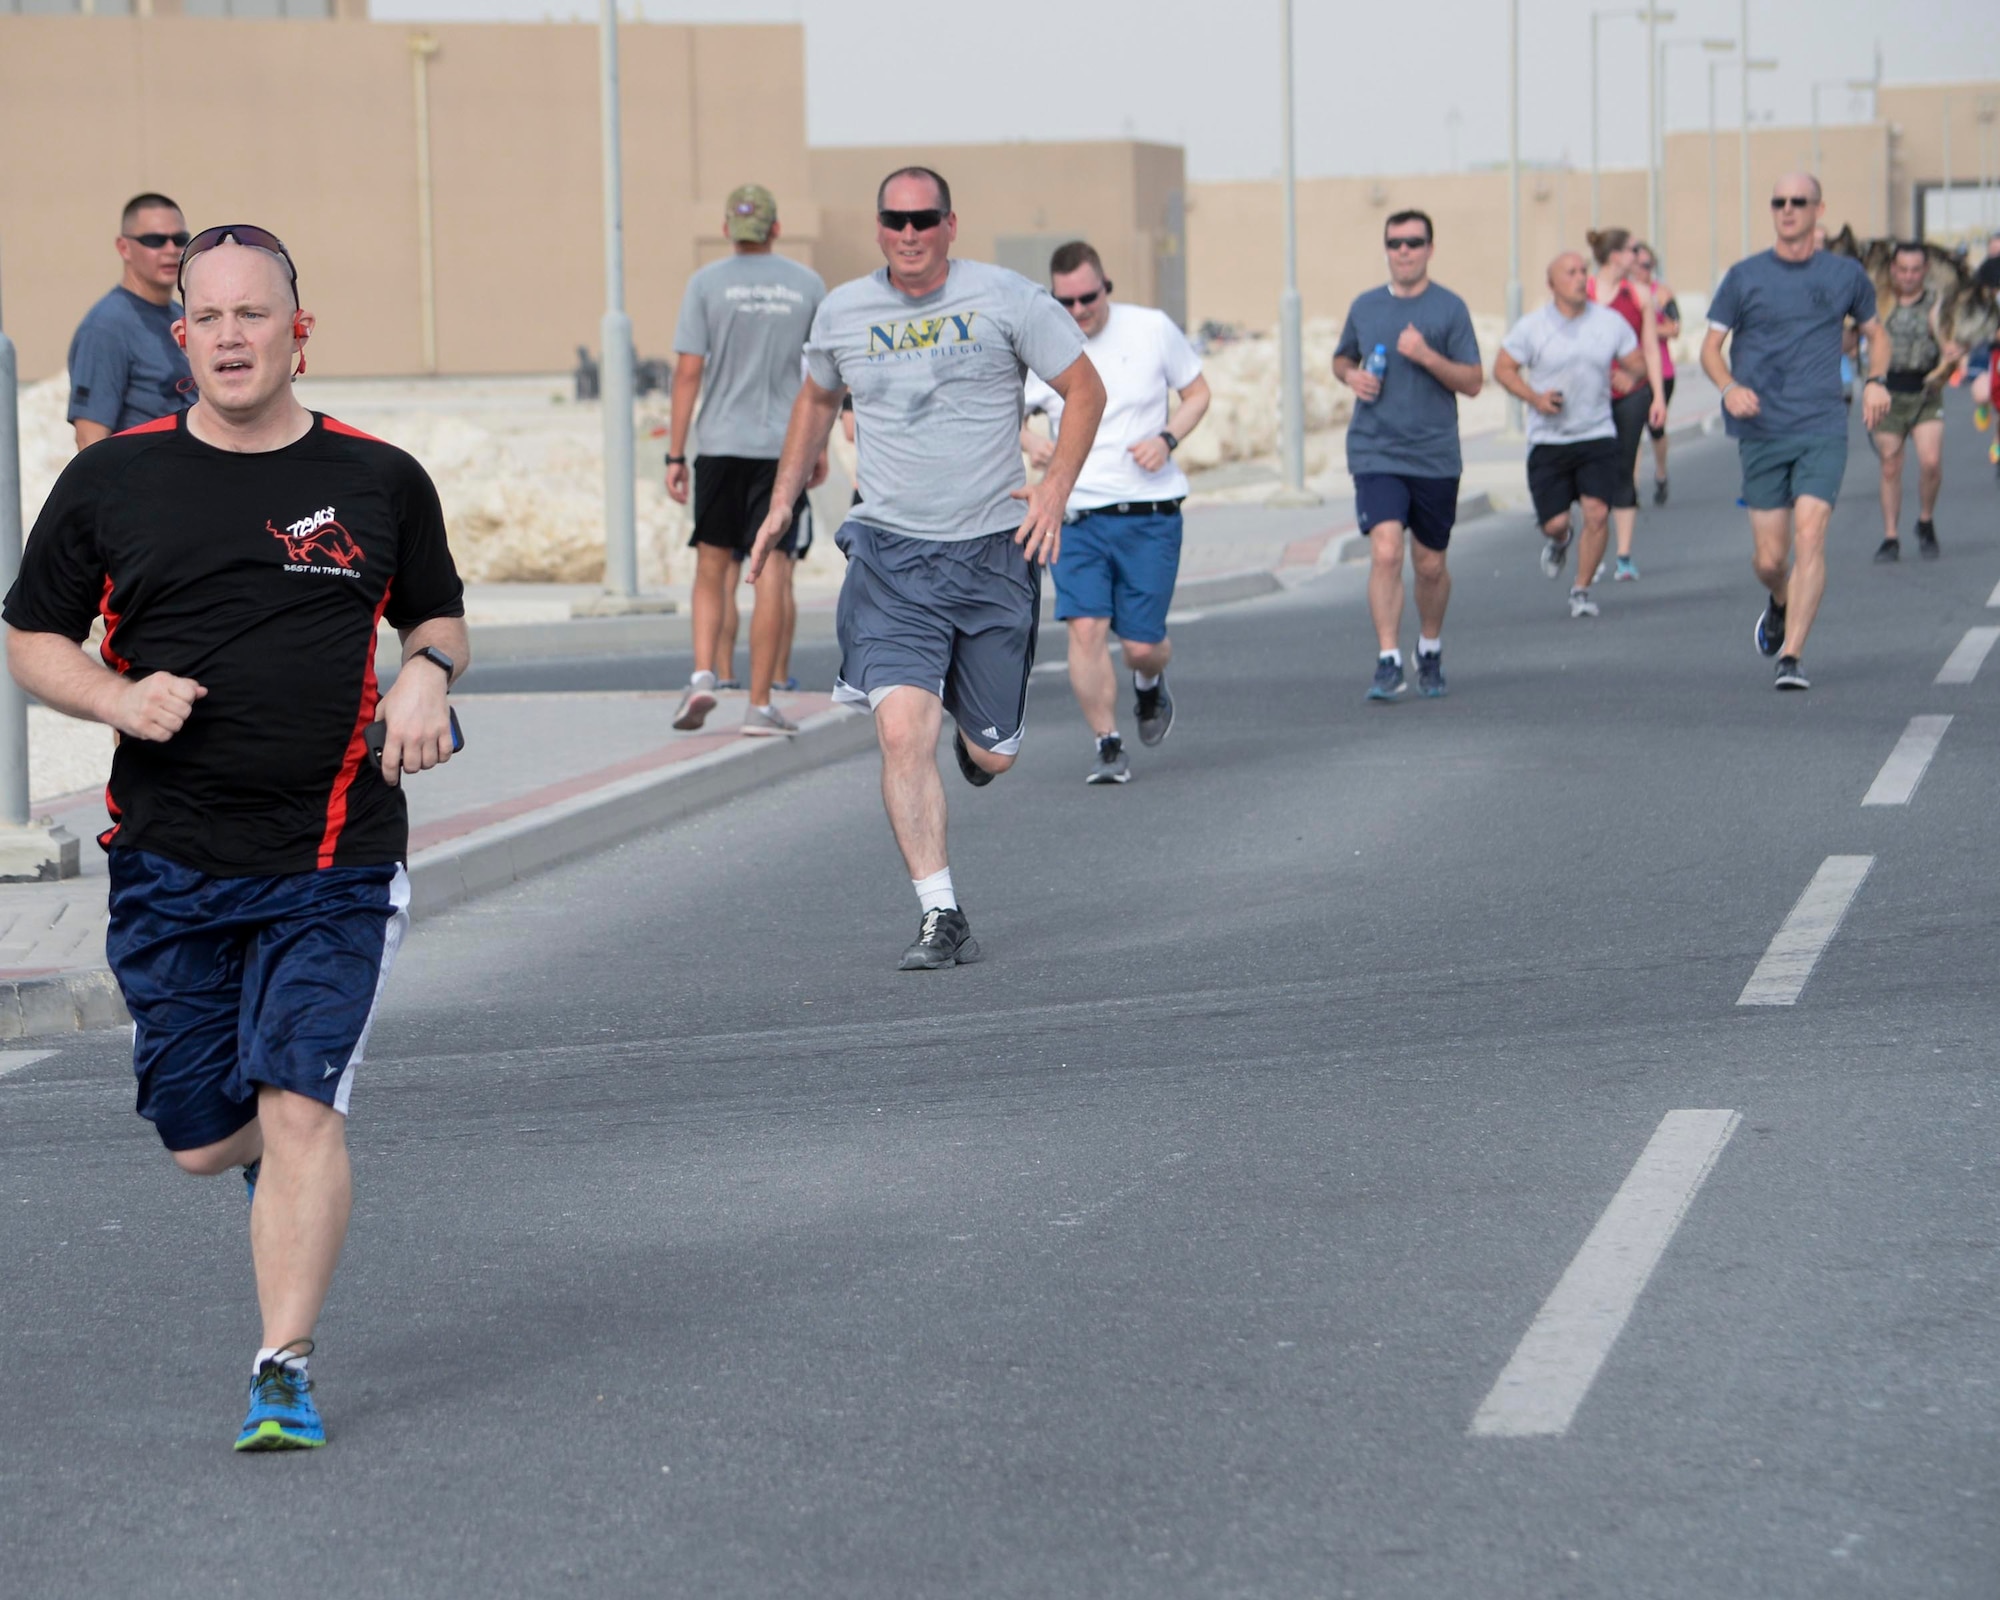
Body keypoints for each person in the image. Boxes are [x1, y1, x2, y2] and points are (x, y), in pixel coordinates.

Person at [3, 226, 467, 1450]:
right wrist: (114, 697)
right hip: (169, 856)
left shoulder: (380, 478)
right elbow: (31, 635)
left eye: (253, 315)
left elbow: (440, 615)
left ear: (296, 330)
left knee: (303, 1102)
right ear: (179, 337)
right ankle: (264, 1167)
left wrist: (424, 674)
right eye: (207, 317)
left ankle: (282, 1366)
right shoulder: (113, 482)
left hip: (336, 857)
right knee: (205, 1141)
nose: (229, 336)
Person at [746, 167, 1106, 968]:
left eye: (924, 220)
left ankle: (968, 730)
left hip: (991, 554)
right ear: (879, 228)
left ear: (950, 224)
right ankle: (941, 914)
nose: (908, 234)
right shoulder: (843, 311)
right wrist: (782, 500)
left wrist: (1054, 489)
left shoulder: (1008, 298)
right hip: (890, 555)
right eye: (894, 221)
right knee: (902, 730)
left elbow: (1084, 390)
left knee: (994, 756)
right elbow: (814, 400)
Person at [1021, 240, 1209, 781]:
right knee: (1084, 628)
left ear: (1107, 288)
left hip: (1147, 511)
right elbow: (1006, 413)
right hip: (1074, 512)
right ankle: (1107, 743)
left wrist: (1167, 438)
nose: (1079, 311)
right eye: (1067, 302)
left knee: (1142, 646)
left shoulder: (1151, 328)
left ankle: (1149, 685)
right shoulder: (1046, 344)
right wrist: (1029, 441)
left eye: (1088, 297)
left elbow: (1198, 392)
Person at [1701, 174, 1887, 692]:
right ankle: (1779, 600)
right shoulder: (1744, 277)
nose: (1787, 209)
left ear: (1817, 208)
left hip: (1821, 424)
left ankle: (1793, 655)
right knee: (1770, 559)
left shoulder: (1845, 274)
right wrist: (1727, 387)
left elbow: (1875, 333)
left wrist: (1875, 380)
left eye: (1797, 202)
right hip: (1760, 426)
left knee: (1811, 534)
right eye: (1778, 201)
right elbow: (1709, 349)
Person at [665, 184, 827, 736]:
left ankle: (705, 675)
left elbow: (688, 372)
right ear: (776, 228)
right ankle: (760, 704)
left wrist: (675, 453)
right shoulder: (808, 286)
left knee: (713, 568)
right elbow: (821, 378)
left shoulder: (705, 284)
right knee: (773, 572)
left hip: (719, 445)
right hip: (783, 449)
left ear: (729, 230)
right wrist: (819, 447)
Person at [1331, 209, 1484, 700]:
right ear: (1386, 249)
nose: (1404, 251)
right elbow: (1342, 356)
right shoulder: (1365, 306)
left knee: (1431, 565)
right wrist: (1349, 375)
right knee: (1386, 550)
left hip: (1434, 454)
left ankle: (1430, 646)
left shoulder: (1450, 309)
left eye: (1414, 243)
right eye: (1395, 243)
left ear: (1430, 250)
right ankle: (1388, 659)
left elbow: (1474, 382)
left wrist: (1425, 356)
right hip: (1376, 448)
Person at [1494, 252, 1646, 620]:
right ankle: (1560, 540)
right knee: (1556, 522)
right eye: (1571, 273)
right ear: (1552, 284)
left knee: (1596, 513)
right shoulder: (1532, 328)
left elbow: (1637, 362)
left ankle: (1581, 589)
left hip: (1597, 434)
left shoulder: (1609, 323)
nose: (1580, 278)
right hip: (1549, 440)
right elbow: (1502, 368)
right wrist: (1535, 398)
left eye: (1583, 271)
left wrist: (1631, 376)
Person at [67, 193, 194, 450]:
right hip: (144, 485)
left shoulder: (182, 315)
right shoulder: (106, 327)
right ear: (124, 248)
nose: (171, 250)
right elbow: (89, 439)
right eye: (155, 240)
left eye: (180, 239)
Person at [1584, 228, 1667, 581]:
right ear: (1616, 255)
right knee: (1588, 471)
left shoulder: (1639, 294)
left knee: (1623, 465)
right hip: (1589, 395)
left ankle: (1623, 554)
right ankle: (1593, 543)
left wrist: (1656, 395)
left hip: (1632, 392)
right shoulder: (1582, 291)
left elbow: (1650, 348)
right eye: (1633, 250)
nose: (1639, 256)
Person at [1871, 242, 1959, 562]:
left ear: (1924, 271)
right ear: (1894, 269)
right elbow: (1859, 336)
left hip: (1925, 392)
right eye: (1903, 269)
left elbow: (1950, 340)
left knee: (1931, 461)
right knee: (1891, 464)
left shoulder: (1936, 304)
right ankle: (1890, 536)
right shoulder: (1879, 302)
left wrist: (1952, 352)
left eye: (1915, 270)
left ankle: (1925, 520)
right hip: (1887, 393)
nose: (1908, 276)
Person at [1629, 242, 1679, 504]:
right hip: (1633, 371)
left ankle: (1661, 473)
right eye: (1637, 265)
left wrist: (1647, 328)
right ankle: (1631, 487)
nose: (1642, 271)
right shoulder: (1624, 294)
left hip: (1662, 371)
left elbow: (1674, 327)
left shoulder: (1661, 294)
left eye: (1647, 266)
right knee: (1631, 429)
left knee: (1655, 428)